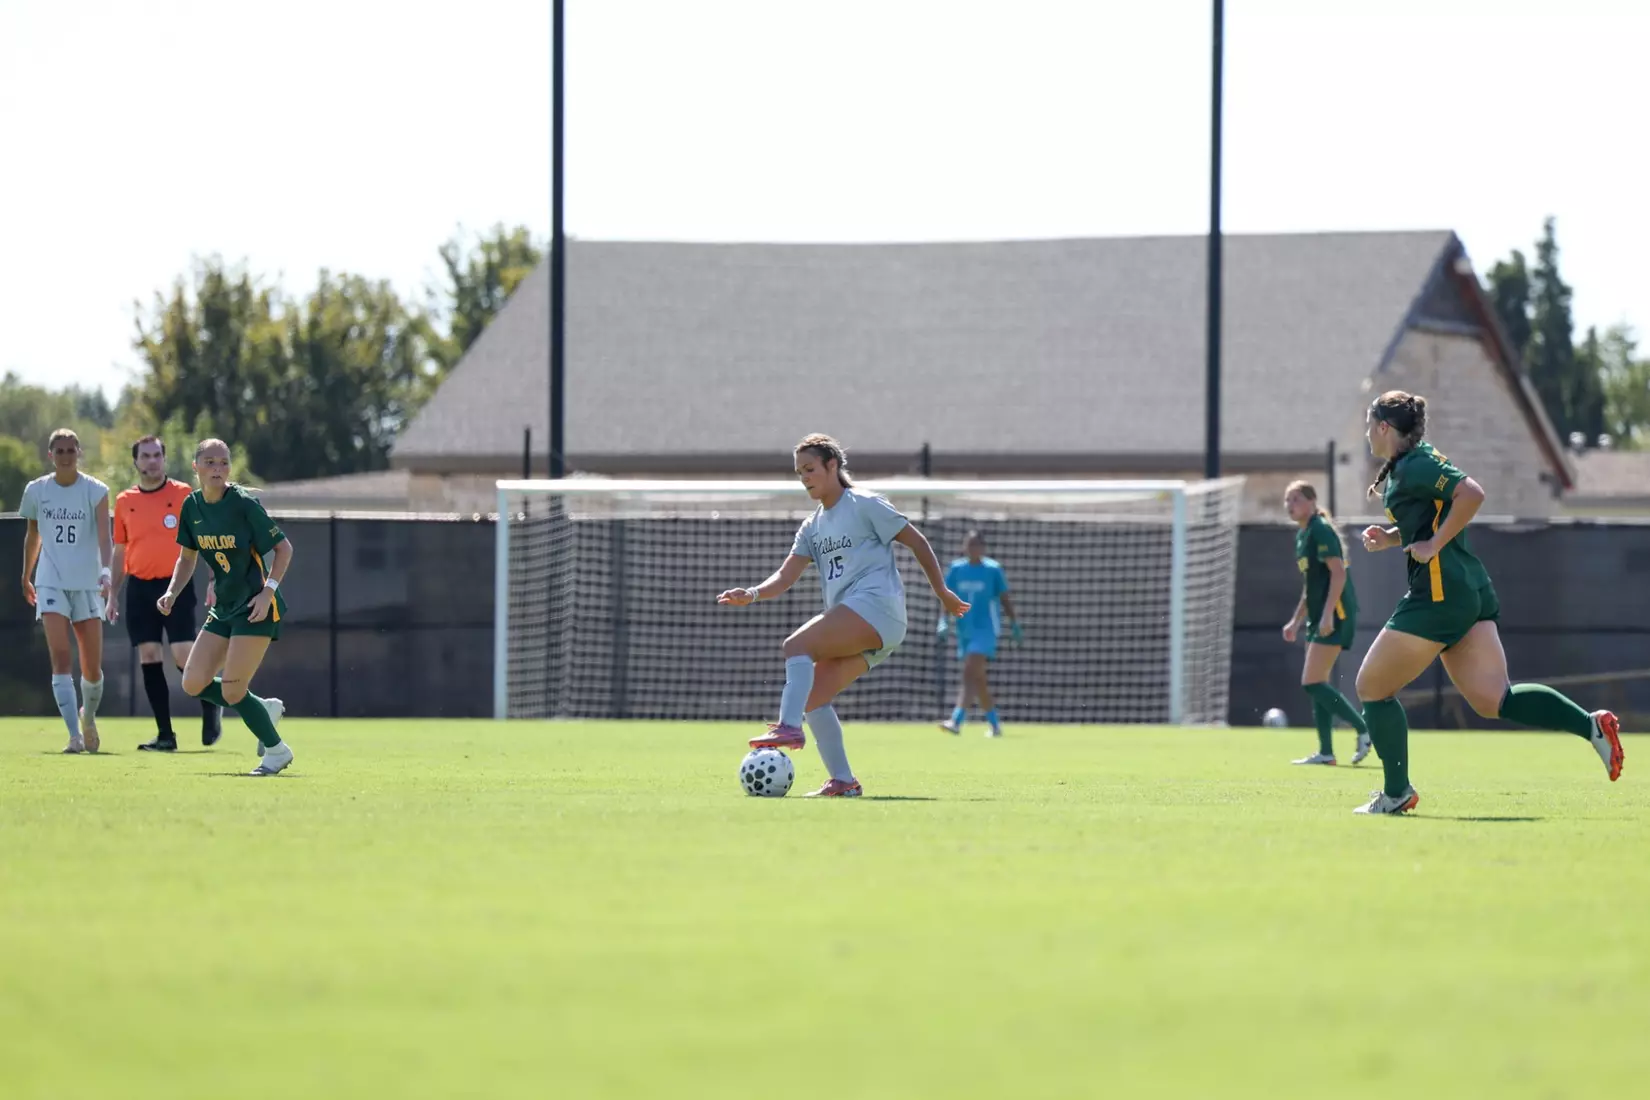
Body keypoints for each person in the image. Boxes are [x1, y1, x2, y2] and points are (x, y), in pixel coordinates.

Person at [1352, 390, 1624, 815]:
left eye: (1369, 424)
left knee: (1372, 687)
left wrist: (1433, 545)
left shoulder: (1417, 464)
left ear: (1384, 427)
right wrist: (1391, 538)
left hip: (1440, 596)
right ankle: (1591, 726)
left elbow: (1471, 494)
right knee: (1494, 699)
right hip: (1467, 589)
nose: (1366, 432)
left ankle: (1396, 792)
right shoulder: (1413, 462)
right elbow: (1432, 517)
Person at [717, 433, 969, 797]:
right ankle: (844, 781)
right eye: (799, 472)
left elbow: (917, 541)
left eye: (810, 469)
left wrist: (941, 591)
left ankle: (788, 727)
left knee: (796, 646)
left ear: (832, 465)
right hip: (871, 626)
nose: (804, 478)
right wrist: (753, 593)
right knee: (813, 698)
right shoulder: (812, 526)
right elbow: (785, 576)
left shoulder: (864, 503)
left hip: (878, 608)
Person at [157, 438, 294, 776]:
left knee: (233, 691)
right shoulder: (191, 506)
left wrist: (268, 593)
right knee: (193, 682)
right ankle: (262, 708)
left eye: (223, 462)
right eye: (210, 462)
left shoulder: (244, 503)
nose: (217, 468)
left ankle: (277, 751)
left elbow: (284, 549)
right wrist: (172, 592)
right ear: (196, 467)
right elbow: (187, 558)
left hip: (255, 607)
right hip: (224, 607)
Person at [110, 434, 223, 751]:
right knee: (148, 655)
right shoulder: (124, 501)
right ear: (135, 462)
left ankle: (211, 702)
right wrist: (113, 593)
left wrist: (213, 579)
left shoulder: (184, 494)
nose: (152, 461)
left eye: (157, 455)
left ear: (164, 458)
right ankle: (165, 736)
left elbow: (206, 537)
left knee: (183, 656)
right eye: (145, 456)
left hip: (177, 586)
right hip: (140, 589)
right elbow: (120, 550)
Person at [18, 429, 112, 753]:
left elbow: (105, 537)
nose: (66, 456)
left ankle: (88, 718)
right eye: (59, 451)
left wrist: (106, 572)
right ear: (51, 455)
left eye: (71, 450)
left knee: (92, 670)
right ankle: (74, 736)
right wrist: (26, 575)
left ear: (79, 452)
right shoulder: (36, 490)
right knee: (60, 657)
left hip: (87, 583)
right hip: (51, 581)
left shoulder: (96, 490)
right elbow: (33, 535)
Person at [1280, 481, 1371, 766]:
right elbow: (1311, 587)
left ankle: (1364, 729)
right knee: (1318, 683)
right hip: (1318, 615)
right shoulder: (1303, 534)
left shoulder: (1320, 529)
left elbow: (1338, 573)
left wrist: (1328, 613)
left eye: (1296, 499)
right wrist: (1296, 621)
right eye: (1287, 500)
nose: (1290, 505)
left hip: (1336, 613)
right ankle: (1326, 752)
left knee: (1312, 682)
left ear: (1311, 501)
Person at [937, 530, 1021, 737]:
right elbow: (947, 597)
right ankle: (995, 725)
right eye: (970, 544)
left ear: (983, 548)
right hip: (964, 630)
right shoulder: (957, 569)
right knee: (978, 678)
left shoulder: (993, 570)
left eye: (977, 545)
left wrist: (1014, 624)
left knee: (969, 671)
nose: (974, 549)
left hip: (986, 630)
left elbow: (1004, 599)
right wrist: (943, 620)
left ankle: (956, 720)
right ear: (964, 547)